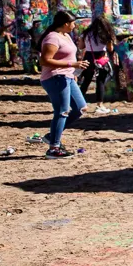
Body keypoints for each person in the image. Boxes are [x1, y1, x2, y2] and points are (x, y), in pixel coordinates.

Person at [39, 11, 85, 159]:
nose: (74, 25)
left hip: (68, 77)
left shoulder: (66, 36)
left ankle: (52, 135)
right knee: (62, 111)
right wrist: (72, 64)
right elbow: (45, 60)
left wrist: (74, 72)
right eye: (73, 23)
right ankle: (54, 148)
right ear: (66, 23)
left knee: (79, 108)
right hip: (56, 78)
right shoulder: (52, 37)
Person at [77, 18, 117, 109]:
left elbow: (81, 46)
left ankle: (79, 102)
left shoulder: (86, 33)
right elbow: (110, 49)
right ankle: (99, 104)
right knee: (100, 81)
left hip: (88, 57)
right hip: (101, 58)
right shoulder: (105, 34)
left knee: (86, 81)